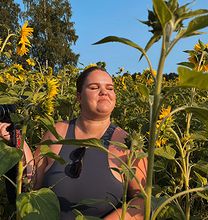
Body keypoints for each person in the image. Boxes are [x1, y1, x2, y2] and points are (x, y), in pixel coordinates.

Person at [0, 66, 147, 219]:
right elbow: (32, 184)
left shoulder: (128, 142)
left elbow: (142, 201)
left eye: (110, 88)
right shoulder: (55, 132)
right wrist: (19, 143)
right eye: (94, 87)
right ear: (79, 97)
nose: (104, 92)